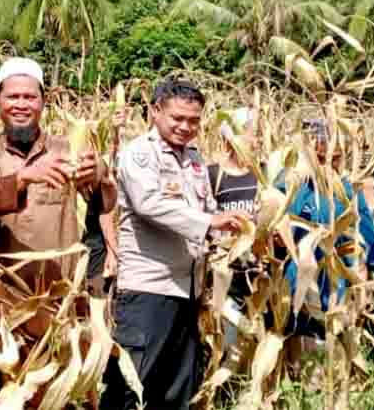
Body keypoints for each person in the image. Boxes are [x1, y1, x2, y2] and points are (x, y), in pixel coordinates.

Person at [0, 58, 108, 409]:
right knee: (3, 396)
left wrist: (101, 174)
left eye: (29, 97)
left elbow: (104, 203)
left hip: (59, 300)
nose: (20, 104)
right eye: (12, 96)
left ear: (44, 101)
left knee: (63, 397)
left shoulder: (67, 150)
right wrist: (25, 178)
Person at [100, 79, 246, 410]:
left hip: (187, 292)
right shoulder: (139, 153)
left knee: (177, 391)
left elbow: (206, 212)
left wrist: (238, 233)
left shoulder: (194, 159)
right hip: (148, 291)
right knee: (132, 388)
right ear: (154, 112)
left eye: (193, 121)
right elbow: (149, 203)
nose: (185, 127)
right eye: (177, 118)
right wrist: (209, 222)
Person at [279, 118, 374, 367]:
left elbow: (368, 239)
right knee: (304, 364)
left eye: (334, 159)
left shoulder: (348, 192)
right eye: (320, 157)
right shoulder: (293, 188)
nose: (328, 166)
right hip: (300, 292)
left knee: (331, 365)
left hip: (338, 292)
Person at [206, 107, 260, 352]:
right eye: (253, 133)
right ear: (233, 136)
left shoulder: (262, 175)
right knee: (227, 345)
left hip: (259, 273)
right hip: (224, 273)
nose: (257, 140)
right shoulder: (213, 175)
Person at [82, 102, 129, 298]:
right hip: (77, 257)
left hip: (96, 257)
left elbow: (106, 213)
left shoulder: (100, 171)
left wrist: (112, 251)